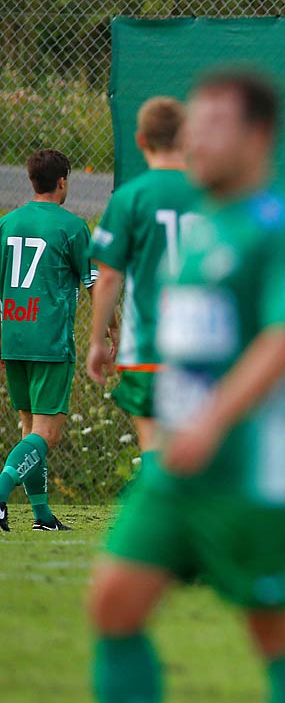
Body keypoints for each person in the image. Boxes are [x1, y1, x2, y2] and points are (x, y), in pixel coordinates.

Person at [58, 68, 285, 703]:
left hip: (256, 470)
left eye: (213, 124)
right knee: (113, 602)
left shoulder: (280, 222)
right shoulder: (200, 217)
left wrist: (213, 418)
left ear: (258, 139)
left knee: (275, 631)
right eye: (191, 123)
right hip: (181, 464)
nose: (194, 138)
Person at [87, 96, 201, 455]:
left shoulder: (130, 198)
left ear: (140, 141)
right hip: (204, 344)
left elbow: (108, 278)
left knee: (154, 449)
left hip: (149, 341)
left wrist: (97, 341)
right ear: (187, 139)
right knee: (196, 448)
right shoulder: (210, 193)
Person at [0, 147, 93, 532]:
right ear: (62, 181)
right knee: (46, 434)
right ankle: (2, 489)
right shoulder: (72, 227)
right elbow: (93, 282)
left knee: (28, 427)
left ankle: (41, 516)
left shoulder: (7, 223)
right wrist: (113, 327)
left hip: (13, 337)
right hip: (49, 340)